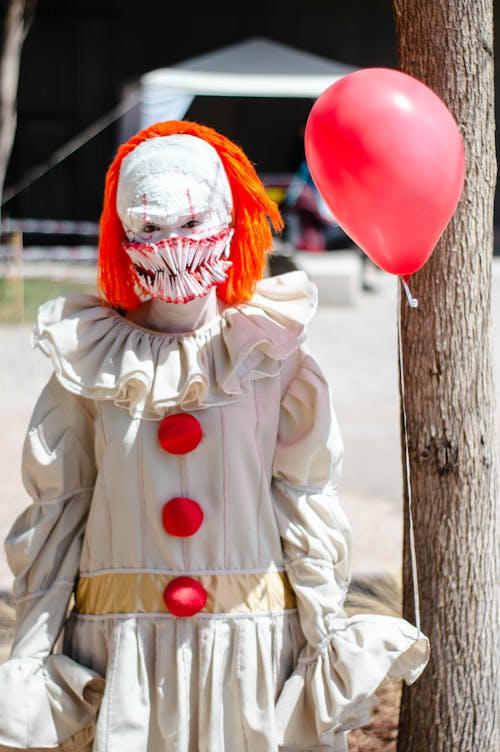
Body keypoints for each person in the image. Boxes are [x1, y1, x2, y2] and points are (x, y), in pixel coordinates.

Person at [0, 121, 428, 752]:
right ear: (123, 233)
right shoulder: (89, 361)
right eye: (149, 226)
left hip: (249, 645)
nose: (171, 244)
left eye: (189, 222)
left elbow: (304, 497)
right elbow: (58, 514)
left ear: (229, 219)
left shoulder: (271, 353)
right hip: (124, 653)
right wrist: (30, 657)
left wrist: (326, 630)